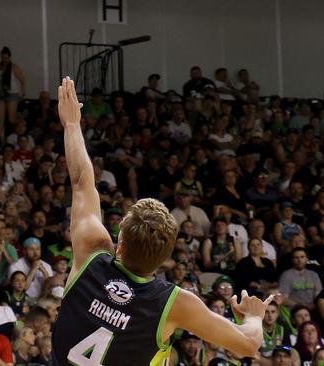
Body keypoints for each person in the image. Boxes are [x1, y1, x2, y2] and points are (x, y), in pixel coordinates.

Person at [50, 77, 273, 365]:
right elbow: (248, 345)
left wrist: (71, 125)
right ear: (164, 259)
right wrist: (254, 317)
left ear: (120, 244)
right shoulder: (174, 303)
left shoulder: (91, 254)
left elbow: (81, 181)